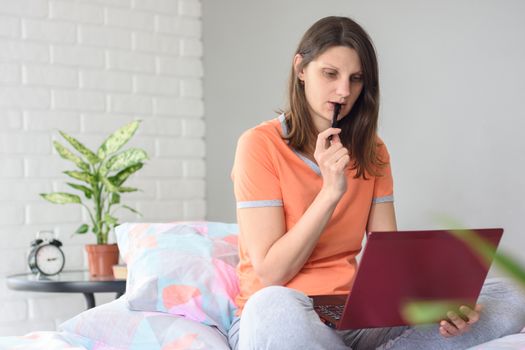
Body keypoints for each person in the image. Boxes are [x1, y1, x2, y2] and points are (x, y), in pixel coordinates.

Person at [228, 16, 525, 350]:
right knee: (272, 307)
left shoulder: (373, 151)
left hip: (355, 317)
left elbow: (390, 264)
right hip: (284, 312)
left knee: (511, 295)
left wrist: (439, 306)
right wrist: (330, 193)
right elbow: (271, 274)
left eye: (356, 79)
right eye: (330, 74)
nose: (344, 91)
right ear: (300, 69)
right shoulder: (259, 145)